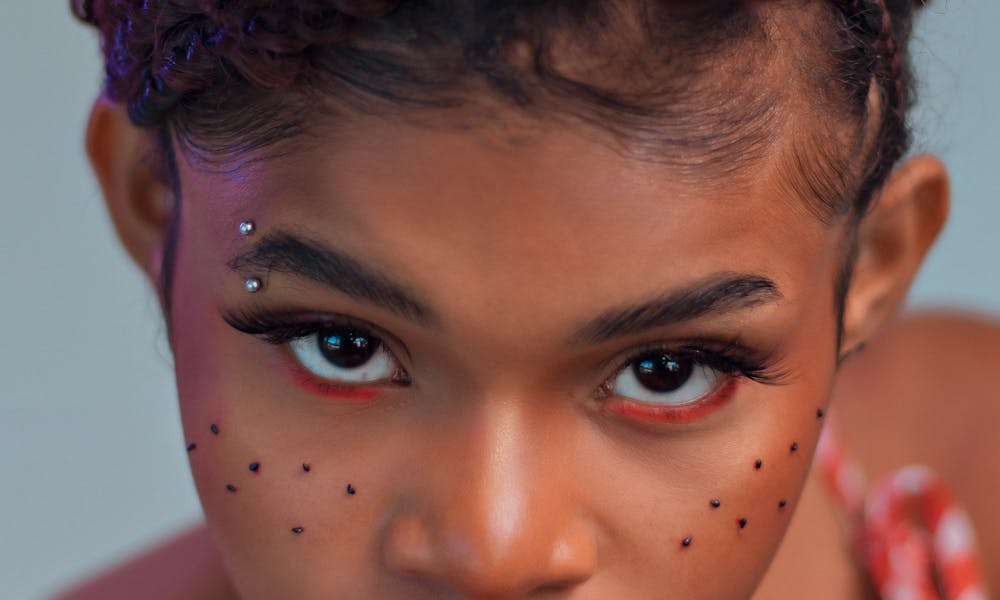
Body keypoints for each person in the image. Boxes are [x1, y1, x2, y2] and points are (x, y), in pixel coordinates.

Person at [61, 0, 999, 598]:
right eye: (340, 346)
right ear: (152, 206)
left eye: (666, 371)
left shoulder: (974, 460)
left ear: (871, 267)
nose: (497, 550)